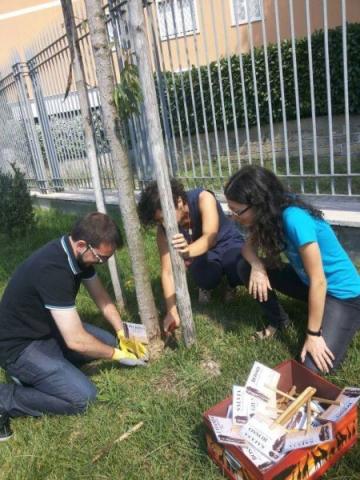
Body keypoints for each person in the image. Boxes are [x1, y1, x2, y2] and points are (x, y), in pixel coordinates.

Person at [0, 212, 147, 442]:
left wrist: (121, 332)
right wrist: (117, 355)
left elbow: (102, 298)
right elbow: (76, 340)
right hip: (20, 348)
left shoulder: (76, 254)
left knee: (107, 340)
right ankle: (7, 397)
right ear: (81, 245)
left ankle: (48, 371)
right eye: (101, 259)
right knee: (83, 398)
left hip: (47, 330)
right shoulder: (53, 270)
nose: (103, 263)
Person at [224, 165, 360, 374]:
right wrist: (258, 267)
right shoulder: (267, 215)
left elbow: (319, 280)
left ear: (258, 203)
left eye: (237, 211)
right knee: (245, 266)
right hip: (307, 283)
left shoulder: (294, 218)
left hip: (341, 294)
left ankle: (339, 319)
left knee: (312, 368)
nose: (233, 216)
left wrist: (313, 335)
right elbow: (246, 249)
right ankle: (279, 321)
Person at [138, 179, 289, 334]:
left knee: (237, 265)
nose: (164, 223)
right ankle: (207, 286)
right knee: (203, 276)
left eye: (164, 217)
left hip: (227, 242)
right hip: (201, 253)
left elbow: (210, 237)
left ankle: (231, 284)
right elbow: (167, 272)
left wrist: (186, 251)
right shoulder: (163, 231)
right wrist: (172, 310)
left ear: (179, 201)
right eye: (159, 220)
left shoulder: (203, 198)